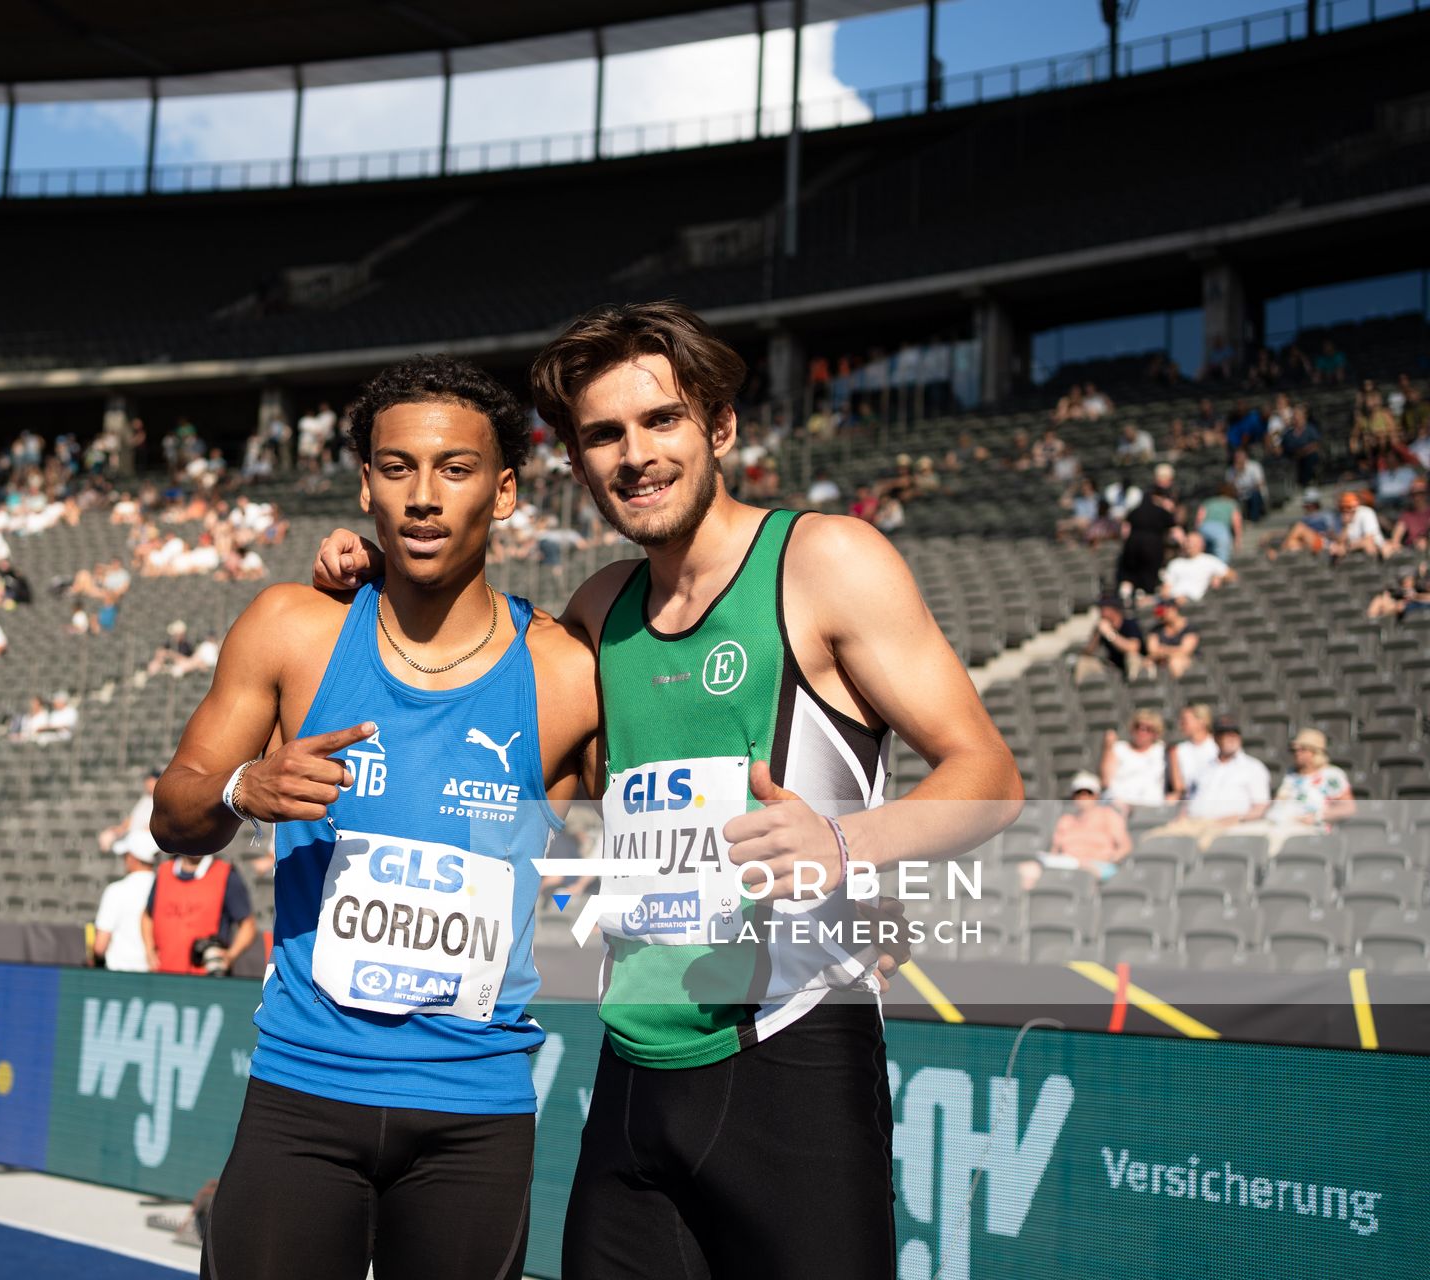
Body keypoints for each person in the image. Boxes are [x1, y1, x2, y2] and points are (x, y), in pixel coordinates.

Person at [320, 303, 1016, 1280]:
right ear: (576, 462)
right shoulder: (600, 608)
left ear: (720, 427)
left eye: (662, 420)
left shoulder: (826, 560)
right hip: (634, 1073)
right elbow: (501, 717)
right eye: (605, 434)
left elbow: (989, 775)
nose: (636, 455)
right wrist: (374, 570)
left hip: (794, 1055)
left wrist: (848, 847)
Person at [155, 354, 599, 1280]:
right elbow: (175, 813)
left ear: (505, 491)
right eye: (398, 468)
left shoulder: (566, 673)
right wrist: (244, 788)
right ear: (366, 485)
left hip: (474, 1115)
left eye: (455, 468)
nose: (424, 496)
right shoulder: (294, 628)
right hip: (303, 1095)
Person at [1225, 728, 1356, 857]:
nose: (1297, 753)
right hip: (1273, 822)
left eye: (1302, 749)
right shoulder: (1292, 773)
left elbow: (1348, 808)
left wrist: (1317, 816)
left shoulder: (1331, 775)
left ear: (1316, 752)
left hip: (1305, 827)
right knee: (1232, 835)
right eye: (1294, 750)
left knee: (1271, 843)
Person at [1149, 715, 1271, 849]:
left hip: (1226, 825)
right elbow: (1189, 799)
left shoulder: (1253, 767)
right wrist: (1181, 818)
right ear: (1215, 738)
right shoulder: (1203, 768)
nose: (1229, 738)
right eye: (1223, 734)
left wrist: (1238, 818)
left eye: (1233, 734)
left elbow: (1261, 807)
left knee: (1201, 845)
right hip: (1193, 823)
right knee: (1152, 840)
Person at [140, 845, 259, 977]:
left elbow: (248, 925)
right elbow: (147, 916)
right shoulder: (164, 871)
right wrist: (149, 950)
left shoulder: (226, 874)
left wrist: (230, 955)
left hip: (207, 979)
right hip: (163, 975)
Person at [1017, 772, 1130, 890]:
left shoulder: (1108, 815)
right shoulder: (1065, 820)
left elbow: (1125, 847)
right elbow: (1055, 850)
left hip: (1099, 865)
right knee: (1028, 870)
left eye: (1088, 793)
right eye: (1078, 793)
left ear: (1096, 795)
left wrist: (1107, 858)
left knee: (1086, 870)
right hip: (1069, 863)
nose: (1083, 797)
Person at [92, 831, 158, 972]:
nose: (124, 859)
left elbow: (100, 946)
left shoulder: (116, 891)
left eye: (126, 855)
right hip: (154, 973)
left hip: (119, 975)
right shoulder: (163, 889)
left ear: (133, 858)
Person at [1100, 709, 1168, 814]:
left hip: (1151, 806)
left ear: (1156, 733)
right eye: (1138, 727)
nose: (1142, 732)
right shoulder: (1118, 748)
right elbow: (1106, 781)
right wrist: (1108, 748)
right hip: (1119, 805)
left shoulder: (1161, 751)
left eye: (1148, 729)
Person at [1073, 594, 1147, 684]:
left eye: (1103, 609)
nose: (1101, 612)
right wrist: (1097, 634)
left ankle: (1135, 686)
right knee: (1084, 661)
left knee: (1132, 657)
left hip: (1136, 663)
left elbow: (1133, 648)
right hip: (1112, 666)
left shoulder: (1129, 624)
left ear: (1112, 610)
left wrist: (1110, 634)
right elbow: (1088, 652)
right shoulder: (1102, 627)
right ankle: (1085, 689)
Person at [1159, 530, 1234, 603]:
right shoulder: (1175, 563)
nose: (1189, 545)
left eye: (1192, 542)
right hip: (1173, 599)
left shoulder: (1209, 561)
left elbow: (1231, 574)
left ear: (1201, 544)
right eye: (1187, 541)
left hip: (1193, 600)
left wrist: (1218, 577)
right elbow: (1167, 586)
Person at [1167, 704, 1219, 807]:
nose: (1181, 724)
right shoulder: (1178, 750)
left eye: (1185, 720)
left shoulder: (1218, 746)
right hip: (1191, 802)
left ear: (1202, 721)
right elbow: (1179, 787)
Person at [98, 769, 160, 853]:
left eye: (150, 781)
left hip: (146, 836)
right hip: (133, 834)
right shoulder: (144, 799)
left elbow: (158, 824)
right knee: (107, 836)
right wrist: (119, 829)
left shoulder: (160, 800)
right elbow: (131, 819)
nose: (147, 784)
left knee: (132, 840)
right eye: (147, 781)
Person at [1147, 599, 1199, 680]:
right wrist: (1172, 652)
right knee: (1147, 663)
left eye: (1165, 611)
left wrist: (1164, 650)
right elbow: (1152, 651)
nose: (1162, 615)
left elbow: (1186, 651)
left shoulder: (1189, 627)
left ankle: (1180, 685)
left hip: (1186, 661)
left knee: (1175, 662)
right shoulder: (1156, 629)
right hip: (1161, 661)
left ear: (1174, 609)